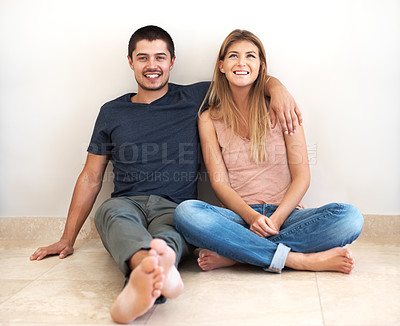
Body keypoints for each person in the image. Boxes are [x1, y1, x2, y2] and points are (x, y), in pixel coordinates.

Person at [29, 26, 301, 324]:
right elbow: (91, 177)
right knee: (111, 215)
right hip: (126, 203)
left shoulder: (195, 96)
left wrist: (277, 88)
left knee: (171, 233)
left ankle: (144, 279)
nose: (152, 65)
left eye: (160, 57)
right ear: (130, 62)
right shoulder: (111, 111)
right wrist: (67, 239)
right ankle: (149, 271)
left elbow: (241, 76)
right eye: (143, 58)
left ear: (172, 61)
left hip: (176, 206)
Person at [174, 29, 363, 275]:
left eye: (250, 56)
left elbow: (302, 177)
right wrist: (252, 218)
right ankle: (298, 260)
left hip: (286, 214)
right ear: (221, 66)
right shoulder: (209, 118)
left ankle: (238, 255)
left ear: (261, 66)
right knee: (186, 213)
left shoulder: (282, 108)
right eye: (233, 56)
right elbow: (220, 184)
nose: (241, 62)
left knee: (350, 218)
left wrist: (276, 220)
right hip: (239, 218)